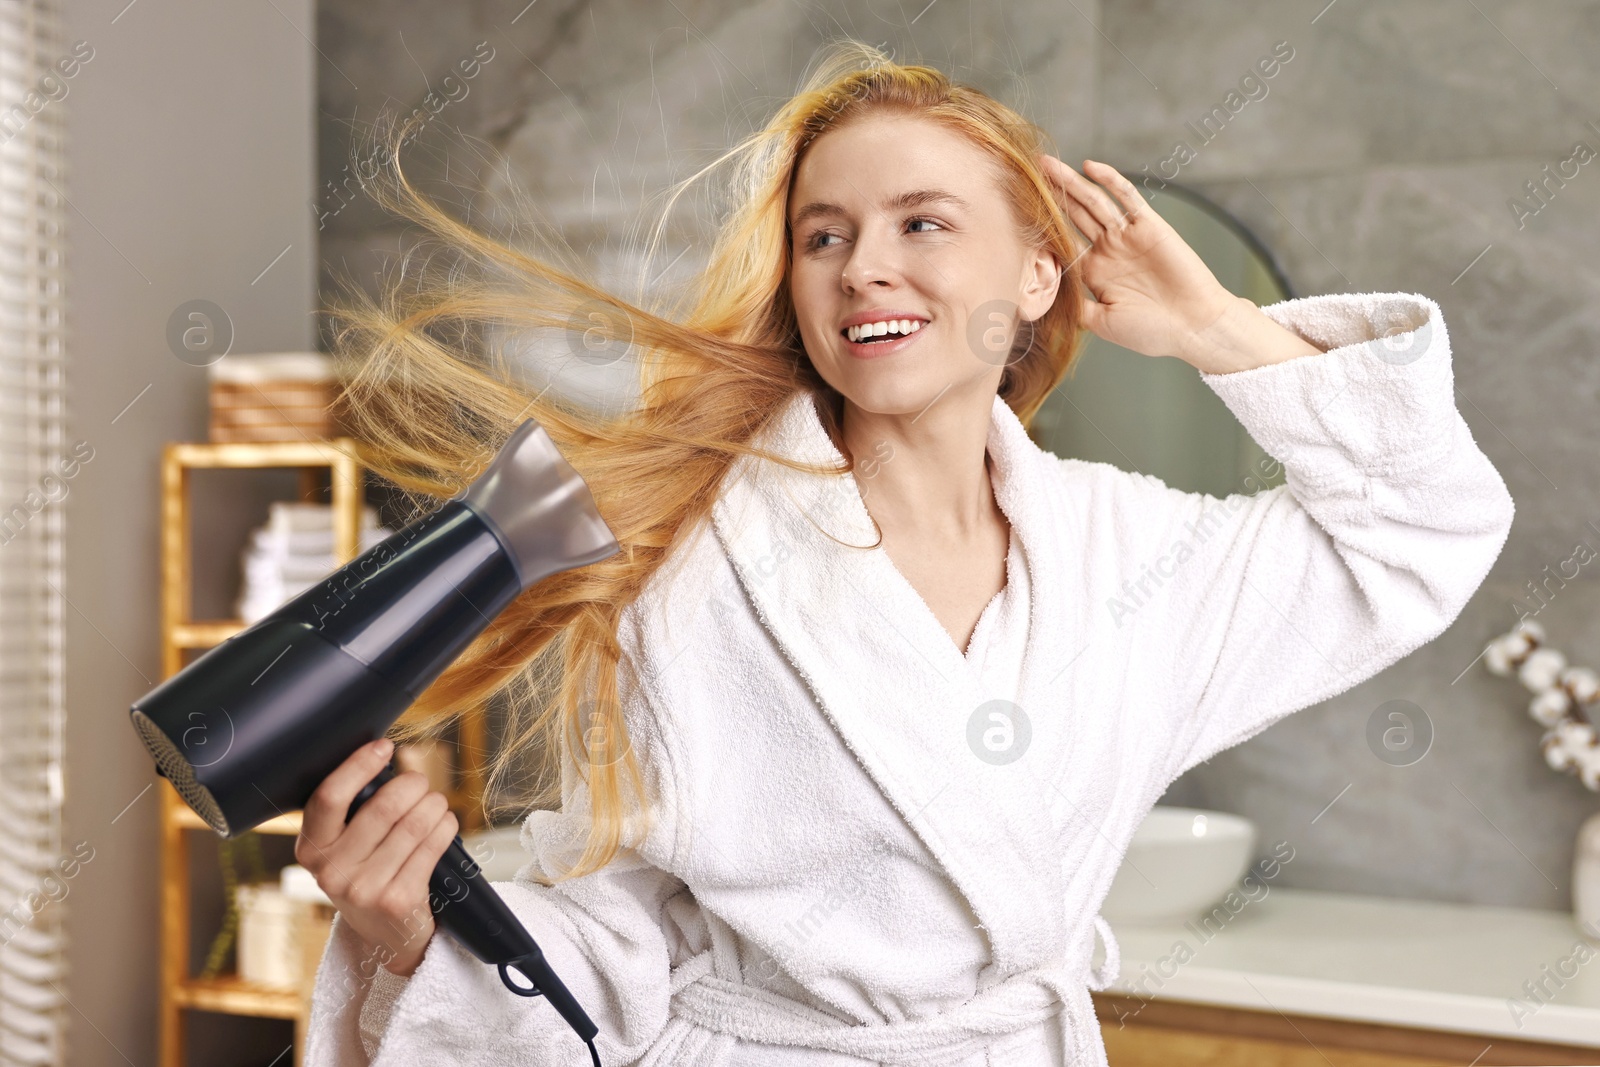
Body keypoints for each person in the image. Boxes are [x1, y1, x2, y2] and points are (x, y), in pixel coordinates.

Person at [298, 39, 1513, 1067]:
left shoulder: (1129, 552)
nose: (864, 264)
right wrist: (414, 933)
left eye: (921, 222)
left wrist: (1211, 327)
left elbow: (1420, 528)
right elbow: (619, 936)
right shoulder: (689, 568)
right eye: (824, 236)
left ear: (1041, 273)